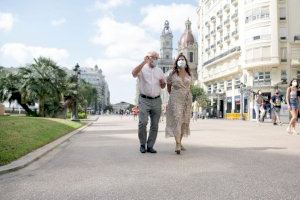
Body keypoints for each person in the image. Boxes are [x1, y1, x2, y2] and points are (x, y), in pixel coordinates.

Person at [132, 51, 166, 153]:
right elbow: (133, 73)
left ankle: (150, 145)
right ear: (147, 57)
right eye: (153, 57)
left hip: (156, 100)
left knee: (155, 124)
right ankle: (142, 144)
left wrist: (162, 83)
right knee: (143, 122)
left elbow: (163, 86)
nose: (155, 59)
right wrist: (143, 62)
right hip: (144, 99)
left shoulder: (159, 70)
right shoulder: (142, 68)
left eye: (157, 58)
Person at [165, 53, 192, 155]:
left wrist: (188, 95)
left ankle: (179, 142)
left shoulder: (189, 74)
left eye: (183, 59)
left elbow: (190, 87)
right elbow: (168, 87)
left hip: (187, 99)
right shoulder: (172, 74)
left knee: (184, 121)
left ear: (186, 62)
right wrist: (174, 95)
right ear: (176, 62)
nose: (181, 61)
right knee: (177, 119)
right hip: (175, 98)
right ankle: (177, 144)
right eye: (179, 59)